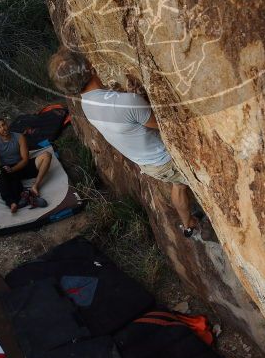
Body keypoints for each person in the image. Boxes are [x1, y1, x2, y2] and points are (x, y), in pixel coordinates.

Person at [48, 48, 200, 237]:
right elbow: (165, 126)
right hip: (164, 159)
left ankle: (188, 225)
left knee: (178, 185)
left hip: (147, 162)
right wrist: (137, 101)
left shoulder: (87, 105)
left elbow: (123, 115)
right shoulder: (126, 102)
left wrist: (135, 101)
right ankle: (189, 223)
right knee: (183, 184)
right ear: (90, 66)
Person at [0, 118, 52, 212]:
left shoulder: (19, 137)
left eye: (3, 125)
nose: (3, 128)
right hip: (7, 170)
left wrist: (12, 169)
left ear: (7, 124)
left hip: (21, 166)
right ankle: (13, 202)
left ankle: (35, 186)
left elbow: (25, 160)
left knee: (47, 155)